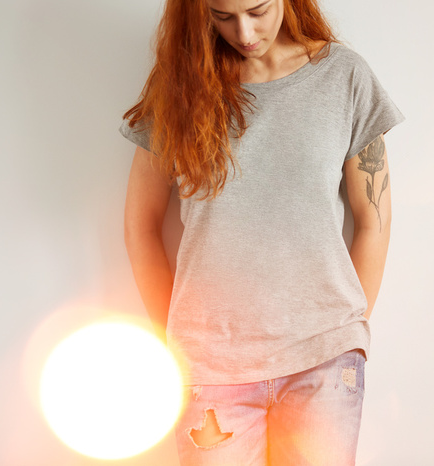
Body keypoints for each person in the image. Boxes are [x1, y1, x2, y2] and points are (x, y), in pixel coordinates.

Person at [119, 0, 404, 464]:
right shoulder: (179, 86)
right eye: (222, 15)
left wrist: (347, 333)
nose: (245, 33)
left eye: (257, 10)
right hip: (207, 367)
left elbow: (374, 219)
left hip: (324, 359)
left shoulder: (344, 78)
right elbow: (140, 226)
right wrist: (172, 343)